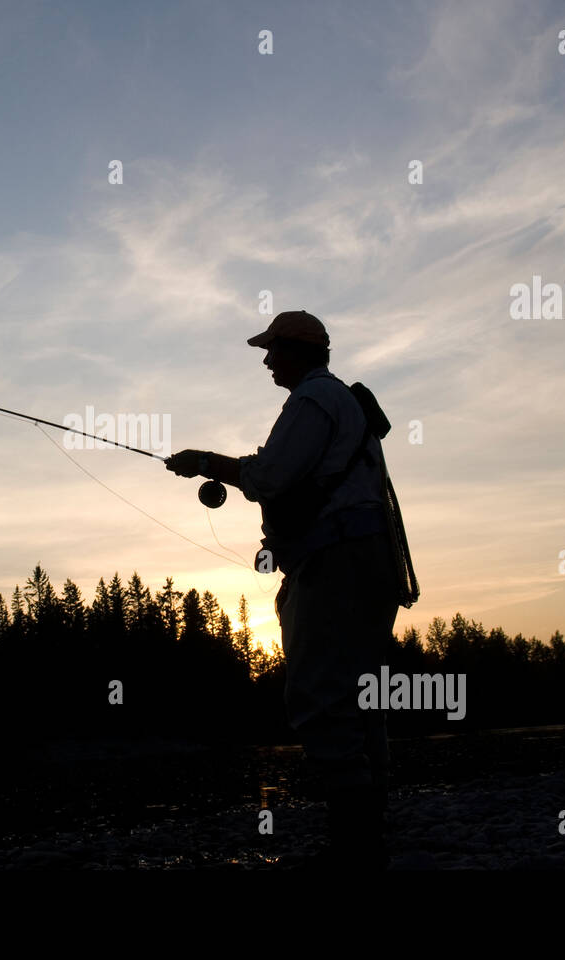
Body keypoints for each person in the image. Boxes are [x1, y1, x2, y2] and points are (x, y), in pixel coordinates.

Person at [165, 309, 399, 870]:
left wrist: (205, 462)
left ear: (299, 350)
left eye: (274, 350)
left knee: (319, 697)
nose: (267, 360)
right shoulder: (338, 400)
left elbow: (271, 476)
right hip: (365, 560)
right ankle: (366, 840)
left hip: (337, 562)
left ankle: (354, 848)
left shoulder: (313, 400)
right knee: (357, 698)